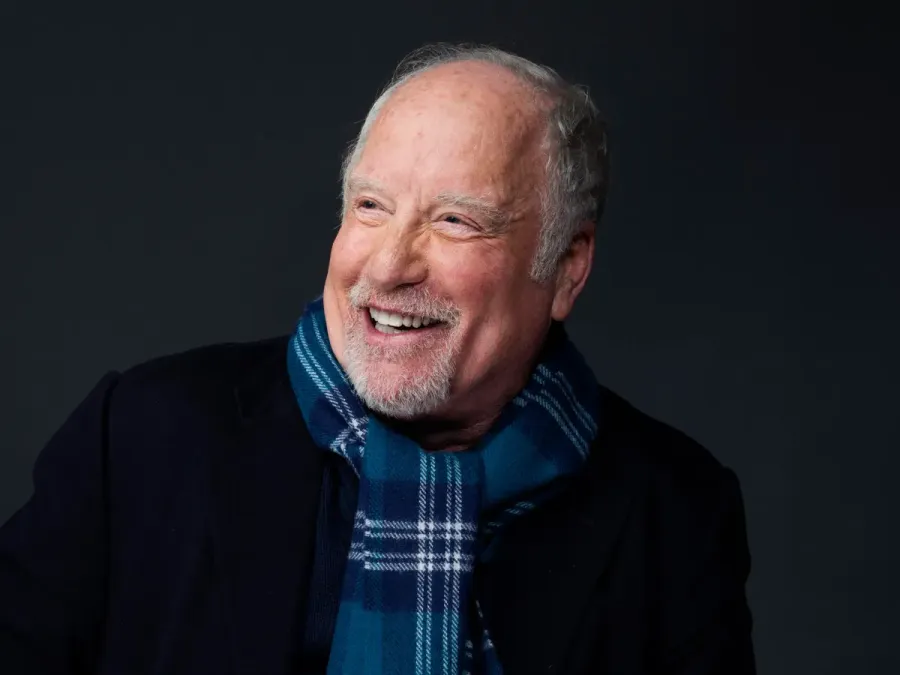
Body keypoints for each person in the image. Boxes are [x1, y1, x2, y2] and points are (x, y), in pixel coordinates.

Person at [0, 44, 755, 674]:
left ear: (566, 267)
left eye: (456, 220)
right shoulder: (139, 436)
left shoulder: (676, 511)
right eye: (370, 206)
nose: (390, 266)